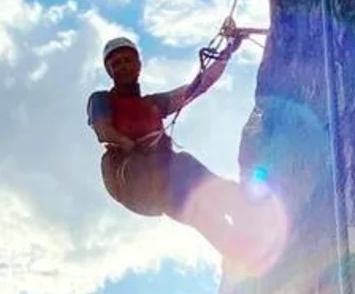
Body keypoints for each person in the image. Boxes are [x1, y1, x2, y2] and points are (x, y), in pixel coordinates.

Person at [87, 26, 279, 271]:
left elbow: (197, 87)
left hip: (159, 186)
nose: (123, 66)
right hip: (133, 177)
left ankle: (249, 255)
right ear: (109, 71)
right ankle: (250, 206)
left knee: (202, 213)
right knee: (185, 164)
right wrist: (130, 145)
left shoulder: (152, 104)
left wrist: (228, 51)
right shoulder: (101, 100)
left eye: (127, 60)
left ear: (138, 65)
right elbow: (103, 129)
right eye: (116, 63)